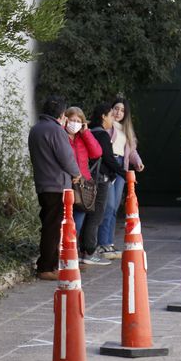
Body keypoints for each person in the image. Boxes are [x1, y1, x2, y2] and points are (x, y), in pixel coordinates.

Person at [28, 95, 81, 280]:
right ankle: (46, 267)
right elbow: (66, 157)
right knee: (53, 227)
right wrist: (76, 173)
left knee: (48, 224)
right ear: (61, 113)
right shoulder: (56, 130)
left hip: (42, 183)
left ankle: (49, 264)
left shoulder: (35, 129)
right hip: (57, 185)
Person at [96, 97, 144, 260]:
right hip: (109, 165)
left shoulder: (127, 130)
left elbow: (131, 152)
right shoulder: (107, 127)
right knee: (107, 206)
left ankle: (108, 242)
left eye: (122, 110)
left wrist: (137, 162)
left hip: (121, 168)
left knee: (115, 207)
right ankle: (102, 243)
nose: (118, 112)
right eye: (116, 108)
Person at [84, 103, 125, 265]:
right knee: (97, 215)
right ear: (103, 116)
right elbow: (108, 158)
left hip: (87, 178)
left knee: (87, 213)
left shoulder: (89, 132)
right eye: (110, 115)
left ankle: (85, 250)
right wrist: (123, 172)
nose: (112, 119)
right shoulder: (102, 135)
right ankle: (89, 251)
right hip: (100, 180)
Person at [63, 107, 104, 261]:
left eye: (78, 121)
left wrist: (86, 133)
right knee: (65, 220)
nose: (74, 123)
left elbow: (97, 153)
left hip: (82, 185)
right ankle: (65, 253)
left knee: (78, 222)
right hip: (66, 183)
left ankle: (74, 253)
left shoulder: (82, 138)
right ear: (66, 119)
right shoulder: (60, 135)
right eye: (72, 120)